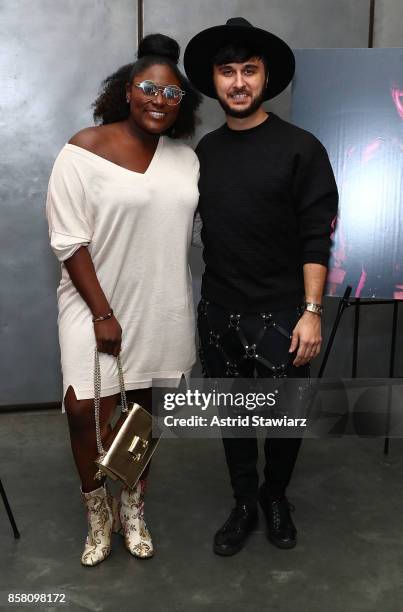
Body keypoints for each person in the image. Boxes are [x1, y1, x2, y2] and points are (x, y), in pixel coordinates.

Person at [45, 33, 201, 566]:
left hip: (160, 302)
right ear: (126, 90)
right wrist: (103, 314)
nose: (159, 99)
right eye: (148, 88)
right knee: (84, 410)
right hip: (94, 304)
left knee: (139, 414)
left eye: (172, 93)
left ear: (183, 103)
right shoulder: (84, 148)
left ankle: (132, 510)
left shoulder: (186, 159)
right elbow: (68, 239)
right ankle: (98, 517)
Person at [184, 18, 338, 555]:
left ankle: (276, 497)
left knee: (286, 417)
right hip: (220, 310)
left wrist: (312, 311)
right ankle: (244, 501)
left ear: (265, 78)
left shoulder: (302, 149)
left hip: (284, 313)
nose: (239, 82)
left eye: (249, 70)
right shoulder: (202, 153)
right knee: (232, 414)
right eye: (228, 71)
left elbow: (317, 237)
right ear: (215, 80)